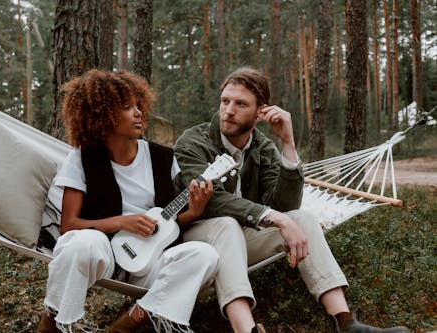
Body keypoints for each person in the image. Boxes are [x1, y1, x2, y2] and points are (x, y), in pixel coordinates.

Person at [173, 67, 410, 333]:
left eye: (240, 104)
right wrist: (273, 217)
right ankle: (245, 329)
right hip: (196, 239)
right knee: (227, 224)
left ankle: (346, 323)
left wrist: (288, 143)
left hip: (240, 239)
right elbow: (212, 199)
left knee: (303, 218)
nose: (228, 110)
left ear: (260, 111)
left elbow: (286, 206)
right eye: (225, 101)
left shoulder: (263, 147)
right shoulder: (193, 141)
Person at [37, 69, 219, 333]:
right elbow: (69, 225)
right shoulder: (82, 159)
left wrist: (194, 211)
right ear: (102, 115)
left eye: (138, 105)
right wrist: (123, 221)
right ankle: (54, 321)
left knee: (205, 255)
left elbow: (169, 222)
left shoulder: (163, 158)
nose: (138, 113)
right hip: (105, 256)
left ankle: (128, 323)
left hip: (151, 259)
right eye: (127, 107)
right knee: (79, 243)